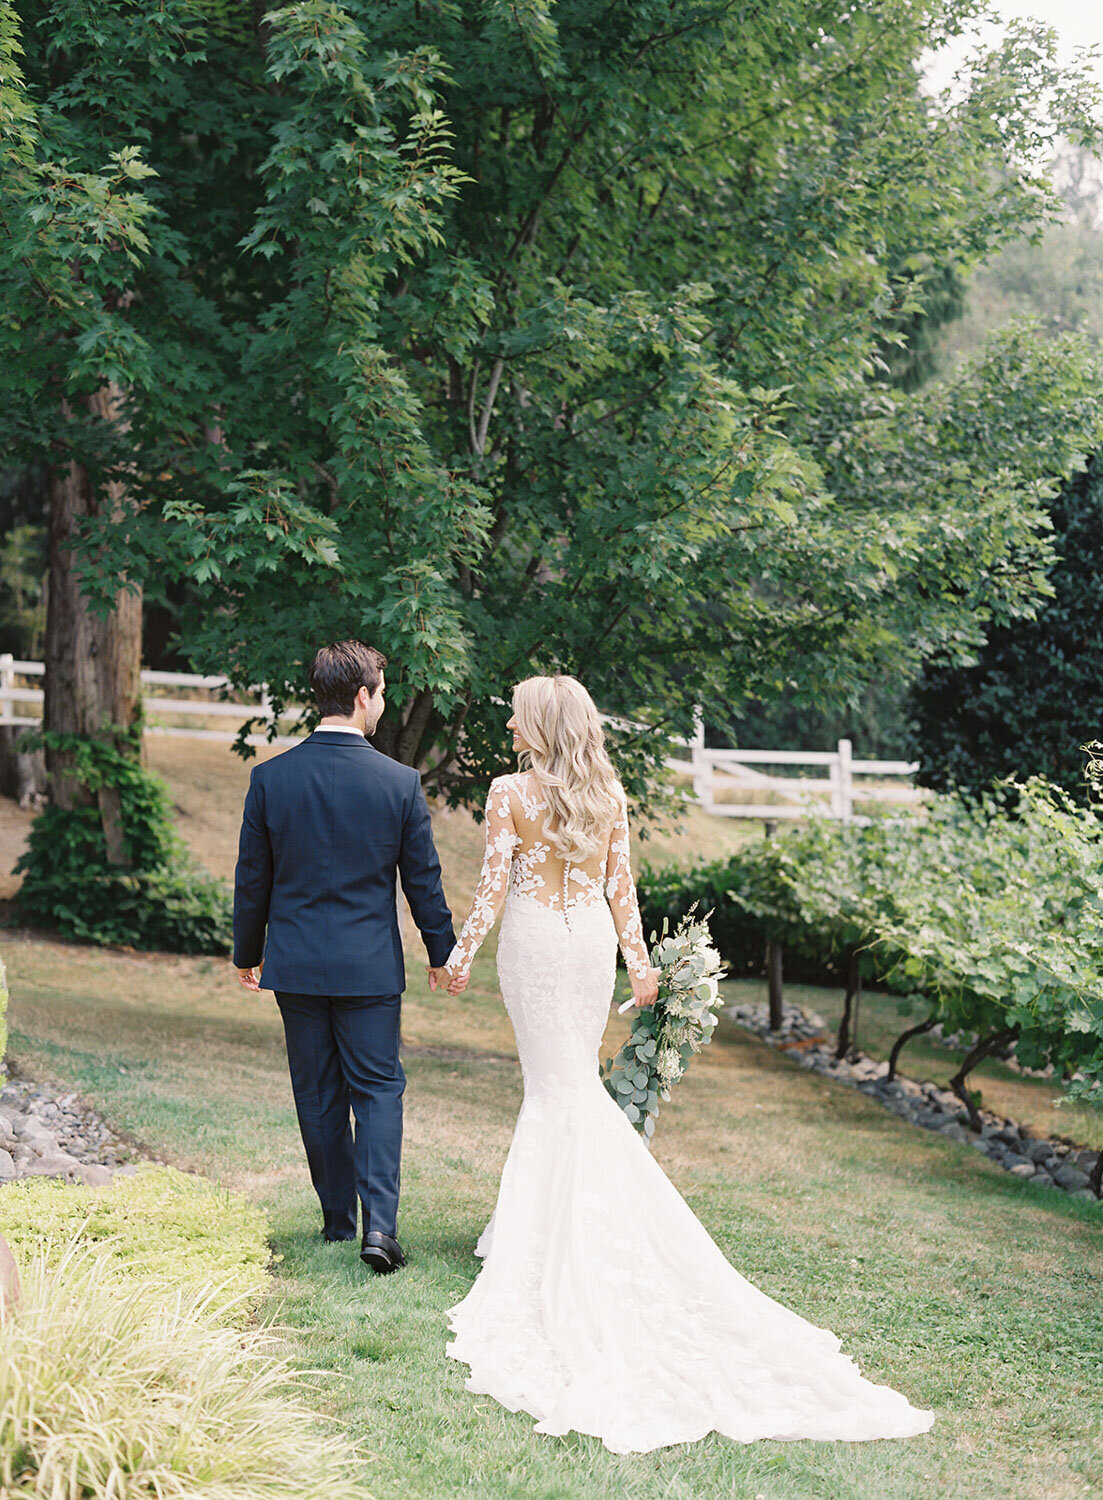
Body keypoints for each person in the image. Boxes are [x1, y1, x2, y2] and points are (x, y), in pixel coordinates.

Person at [440, 673, 936, 1454]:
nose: (505, 723)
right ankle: (532, 1224)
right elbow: (621, 891)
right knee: (567, 1088)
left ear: (538, 721)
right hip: (587, 951)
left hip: (537, 948)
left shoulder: (510, 791)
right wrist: (637, 966)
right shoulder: (605, 790)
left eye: (513, 713)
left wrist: (458, 957)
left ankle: (538, 1236)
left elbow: (493, 886)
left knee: (554, 1091)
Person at [233, 640, 460, 1273]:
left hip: (297, 966)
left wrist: (246, 953)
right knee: (379, 1089)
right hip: (368, 968)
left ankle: (339, 1222)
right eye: (382, 693)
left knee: (317, 1091)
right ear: (361, 696)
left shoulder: (271, 779)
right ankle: (378, 1230)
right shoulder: (399, 783)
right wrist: (441, 954)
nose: (383, 704)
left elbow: (253, 879)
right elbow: (424, 881)